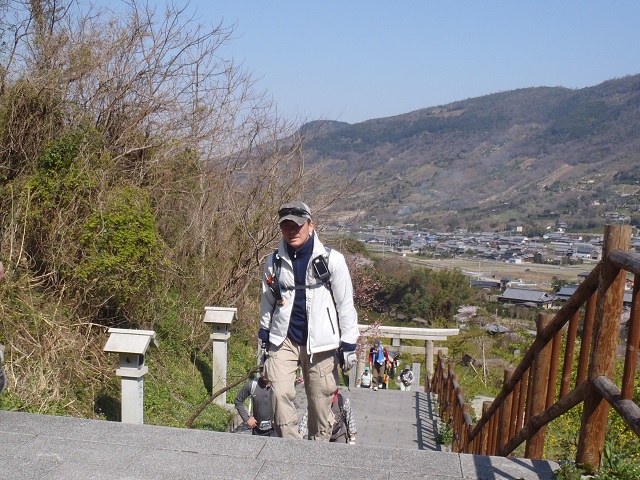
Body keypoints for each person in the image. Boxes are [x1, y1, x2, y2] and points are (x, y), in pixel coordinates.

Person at [259, 201, 359, 440]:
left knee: (320, 402)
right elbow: (267, 302)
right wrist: (264, 335)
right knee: (279, 393)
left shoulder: (332, 260)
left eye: (298, 226)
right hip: (284, 338)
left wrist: (349, 344)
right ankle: (290, 446)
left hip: (322, 342)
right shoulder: (273, 262)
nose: (292, 231)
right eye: (286, 227)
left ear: (311, 225)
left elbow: (345, 304)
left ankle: (317, 450)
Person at [234, 368, 277, 436]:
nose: (264, 373)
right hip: (257, 429)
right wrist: (247, 419)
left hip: (275, 429)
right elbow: (238, 400)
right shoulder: (252, 385)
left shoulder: (278, 385)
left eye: (266, 369)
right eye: (261, 370)